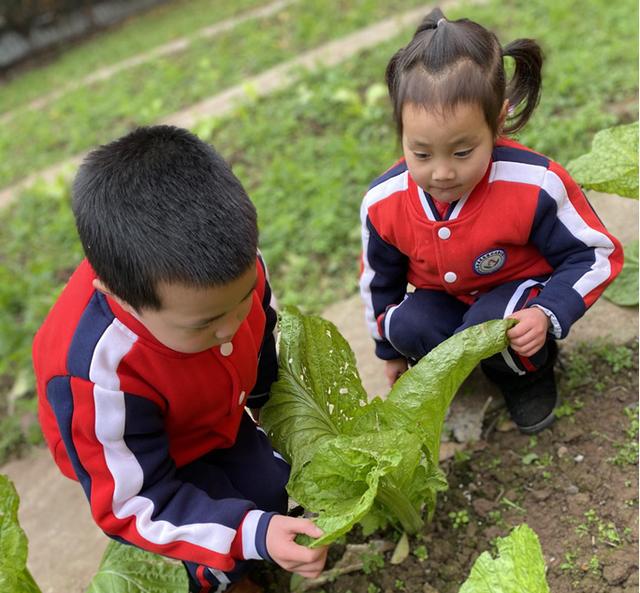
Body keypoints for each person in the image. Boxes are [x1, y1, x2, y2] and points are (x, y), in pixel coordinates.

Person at [32, 126, 327, 593]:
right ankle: (215, 580)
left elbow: (261, 331)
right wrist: (251, 534)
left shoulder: (228, 267)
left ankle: (242, 548)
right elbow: (133, 503)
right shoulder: (97, 374)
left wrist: (267, 395)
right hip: (135, 451)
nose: (232, 326)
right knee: (200, 538)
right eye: (205, 324)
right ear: (121, 298)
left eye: (243, 298)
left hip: (210, 407)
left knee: (273, 486)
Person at [359, 8, 623, 434]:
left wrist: (546, 312)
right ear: (401, 130)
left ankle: (525, 374)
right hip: (444, 300)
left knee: (498, 325)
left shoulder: (535, 184)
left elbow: (595, 255)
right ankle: (454, 372)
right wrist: (387, 351)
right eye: (421, 153)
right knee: (405, 324)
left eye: (463, 152)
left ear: (497, 121)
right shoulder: (382, 202)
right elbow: (378, 282)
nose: (442, 172)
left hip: (513, 295)